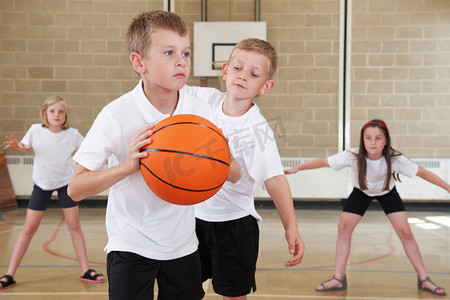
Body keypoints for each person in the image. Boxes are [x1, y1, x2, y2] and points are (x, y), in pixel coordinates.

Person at [67, 11, 240, 300]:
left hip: (183, 246)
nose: (181, 61)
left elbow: (234, 175)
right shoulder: (116, 114)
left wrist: (221, 155)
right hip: (130, 244)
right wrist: (127, 166)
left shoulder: (200, 112)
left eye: (185, 52)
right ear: (139, 62)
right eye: (169, 52)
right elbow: (74, 189)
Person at [183, 38, 305, 300]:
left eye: (254, 73)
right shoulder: (204, 100)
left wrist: (291, 227)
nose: (242, 76)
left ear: (266, 86)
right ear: (225, 70)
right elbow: (172, 88)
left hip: (235, 225)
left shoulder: (258, 129)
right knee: (185, 290)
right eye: (238, 68)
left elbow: (274, 180)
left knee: (233, 295)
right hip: (194, 219)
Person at [285, 119, 449, 296]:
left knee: (405, 233)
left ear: (386, 141)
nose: (372, 142)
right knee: (343, 228)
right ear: (362, 140)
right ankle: (338, 278)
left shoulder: (395, 158)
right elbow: (324, 162)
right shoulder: (353, 155)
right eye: (368, 138)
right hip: (361, 192)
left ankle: (424, 278)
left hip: (388, 192)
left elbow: (422, 173)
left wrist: (448, 187)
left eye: (378, 138)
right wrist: (298, 168)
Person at [0, 95, 105, 291]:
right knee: (29, 229)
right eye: (52, 111)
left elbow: (90, 148)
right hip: (42, 184)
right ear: (44, 114)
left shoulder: (72, 134)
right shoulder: (35, 130)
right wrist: (18, 146)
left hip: (66, 183)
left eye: (61, 111)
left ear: (66, 116)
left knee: (74, 226)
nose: (57, 114)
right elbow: (24, 146)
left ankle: (85, 270)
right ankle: (9, 275)